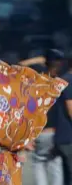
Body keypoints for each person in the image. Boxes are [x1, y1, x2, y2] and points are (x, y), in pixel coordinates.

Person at [28, 49, 65, 185]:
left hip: (40, 132)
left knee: (39, 163)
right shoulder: (60, 84)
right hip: (56, 132)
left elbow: (18, 66)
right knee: (55, 163)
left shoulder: (36, 84)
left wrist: (37, 60)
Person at [54, 55, 72, 185]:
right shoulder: (69, 81)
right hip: (68, 136)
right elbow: (70, 109)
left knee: (66, 175)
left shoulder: (62, 80)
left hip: (61, 134)